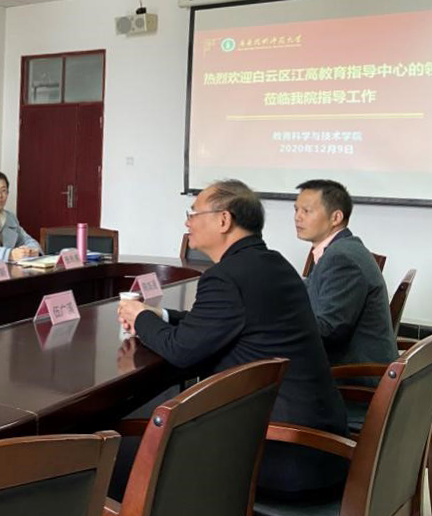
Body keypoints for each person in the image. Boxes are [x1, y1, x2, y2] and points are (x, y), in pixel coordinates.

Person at [117, 179, 348, 499]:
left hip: (283, 452)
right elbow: (225, 323)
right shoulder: (273, 263)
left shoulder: (225, 277)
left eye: (193, 213)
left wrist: (139, 318)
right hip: (317, 447)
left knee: (122, 454)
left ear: (224, 220)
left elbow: (181, 350)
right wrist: (161, 315)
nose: (187, 223)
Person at [294, 179, 397, 369]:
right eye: (296, 210)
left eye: (306, 211)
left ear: (336, 217)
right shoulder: (339, 249)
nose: (297, 217)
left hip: (353, 377)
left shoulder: (341, 258)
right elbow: (313, 289)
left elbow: (329, 331)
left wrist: (278, 322)